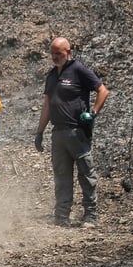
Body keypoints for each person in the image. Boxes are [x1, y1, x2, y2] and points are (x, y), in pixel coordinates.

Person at [35, 37, 109, 228]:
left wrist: (93, 113)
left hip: (78, 131)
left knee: (86, 174)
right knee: (61, 176)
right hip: (58, 134)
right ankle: (61, 216)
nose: (54, 56)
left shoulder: (78, 70)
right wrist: (40, 132)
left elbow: (103, 91)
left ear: (68, 52)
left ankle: (90, 216)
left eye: (58, 53)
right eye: (52, 53)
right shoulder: (51, 76)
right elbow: (46, 106)